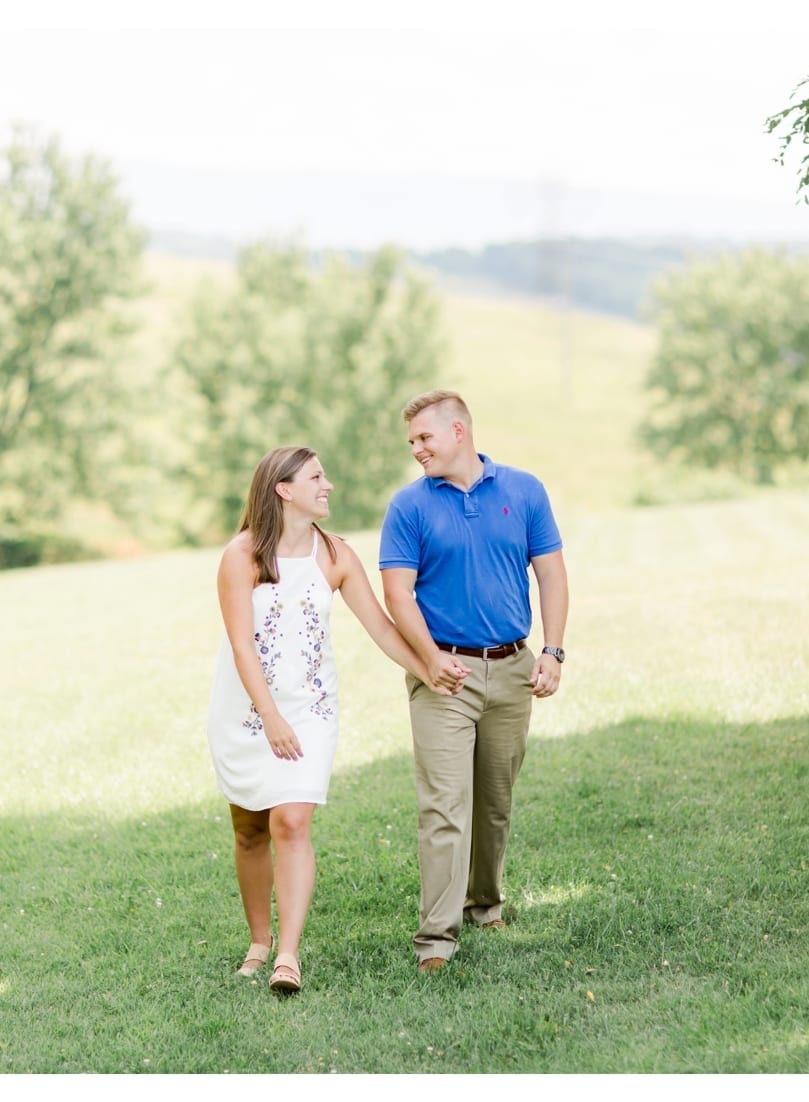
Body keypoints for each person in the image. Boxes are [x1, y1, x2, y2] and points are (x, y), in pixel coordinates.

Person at [207, 445, 452, 994]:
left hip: (310, 708)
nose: (329, 486)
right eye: (317, 477)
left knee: (290, 822)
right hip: (247, 711)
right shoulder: (240, 556)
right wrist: (268, 716)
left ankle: (287, 957)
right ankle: (259, 941)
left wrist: (429, 666)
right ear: (283, 490)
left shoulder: (336, 555)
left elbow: (383, 628)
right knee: (249, 829)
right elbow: (241, 646)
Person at [379, 390, 569, 973]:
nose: (416, 450)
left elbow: (553, 577)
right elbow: (396, 592)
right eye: (411, 441)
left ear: (458, 432)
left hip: (513, 668)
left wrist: (553, 652)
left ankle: (484, 903)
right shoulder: (408, 508)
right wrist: (430, 659)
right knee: (444, 807)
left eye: (424, 439)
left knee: (494, 803)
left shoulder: (524, 491)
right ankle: (437, 939)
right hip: (444, 677)